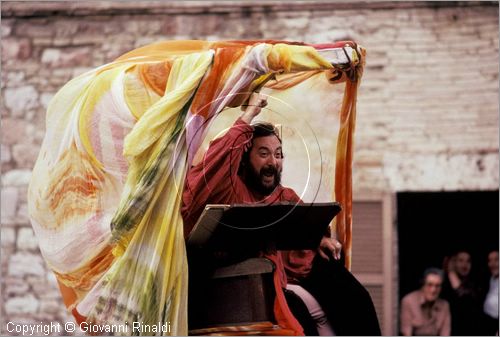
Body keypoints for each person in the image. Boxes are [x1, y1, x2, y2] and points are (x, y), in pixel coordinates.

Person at [181, 92, 381, 335]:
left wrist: (319, 239)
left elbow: (305, 225)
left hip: (296, 275)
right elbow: (217, 163)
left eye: (278, 155)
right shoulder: (229, 191)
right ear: (244, 158)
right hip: (246, 287)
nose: (273, 163)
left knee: (357, 300)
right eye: (263, 153)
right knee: (298, 316)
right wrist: (248, 115)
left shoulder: (283, 196)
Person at [441, 250, 482, 335]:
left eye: (468, 261)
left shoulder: (476, 283)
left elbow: (466, 297)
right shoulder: (442, 283)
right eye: (460, 260)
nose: (465, 265)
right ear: (453, 262)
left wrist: (451, 272)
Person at [400, 268, 451, 336]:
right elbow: (406, 333)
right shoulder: (408, 301)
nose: (433, 290)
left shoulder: (445, 305)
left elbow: (445, 334)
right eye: (429, 285)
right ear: (423, 285)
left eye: (437, 286)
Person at [482, 249, 499, 336]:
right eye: (490, 260)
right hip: (487, 321)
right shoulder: (492, 277)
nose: (492, 264)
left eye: (496, 259)